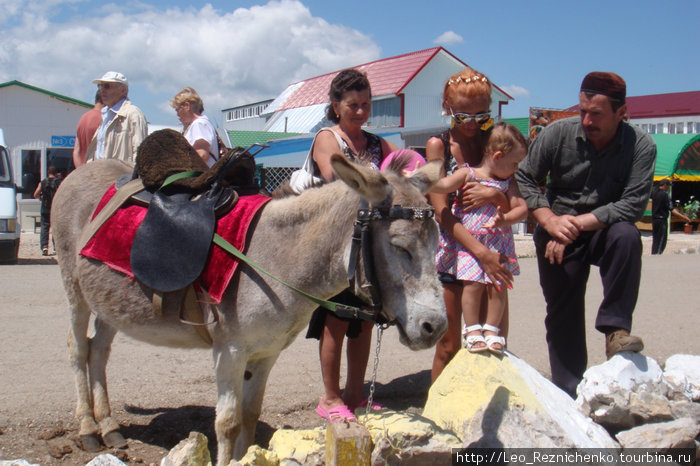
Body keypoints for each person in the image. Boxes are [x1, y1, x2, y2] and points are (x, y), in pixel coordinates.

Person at [515, 71, 656, 397]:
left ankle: (616, 330)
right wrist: (548, 219)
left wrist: (575, 223)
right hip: (556, 231)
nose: (587, 120)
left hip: (601, 229)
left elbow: (632, 205)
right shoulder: (557, 134)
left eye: (597, 114)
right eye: (583, 112)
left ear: (622, 113)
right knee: (563, 309)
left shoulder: (641, 146)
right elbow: (525, 176)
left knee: (626, 236)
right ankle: (568, 390)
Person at [304, 69, 397, 422]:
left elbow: (404, 168)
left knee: (366, 319)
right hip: (335, 246)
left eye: (366, 104)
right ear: (336, 105)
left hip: (369, 245)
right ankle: (330, 397)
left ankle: (355, 393)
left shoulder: (378, 143)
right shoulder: (327, 138)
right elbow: (336, 179)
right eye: (353, 105)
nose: (360, 111)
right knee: (337, 320)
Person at [427, 68, 514, 382]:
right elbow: (441, 212)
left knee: (495, 340)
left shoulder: (496, 143)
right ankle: (437, 416)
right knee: (448, 344)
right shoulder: (439, 145)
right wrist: (482, 254)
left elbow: (515, 201)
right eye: (464, 116)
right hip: (454, 252)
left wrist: (494, 194)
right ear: (447, 108)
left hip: (492, 248)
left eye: (483, 115)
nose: (474, 124)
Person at [431, 122, 528, 353]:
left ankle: (492, 330)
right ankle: (473, 329)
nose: (516, 169)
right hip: (471, 246)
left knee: (499, 286)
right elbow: (443, 186)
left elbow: (522, 209)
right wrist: (422, 178)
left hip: (498, 244)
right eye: (514, 163)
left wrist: (504, 220)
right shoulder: (467, 173)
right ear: (497, 155)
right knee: (472, 285)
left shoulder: (507, 183)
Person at [85, 71, 147, 163]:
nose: (102, 90)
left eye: (107, 86)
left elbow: (140, 152)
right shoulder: (105, 115)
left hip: (121, 175)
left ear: (123, 90)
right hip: (101, 174)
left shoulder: (133, 114)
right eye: (100, 86)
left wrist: (133, 176)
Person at [171, 87, 220, 167]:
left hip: (200, 177)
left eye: (177, 110)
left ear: (187, 106)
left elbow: (202, 155)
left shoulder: (199, 124)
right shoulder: (199, 124)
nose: (177, 115)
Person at [651, 179, 689, 254]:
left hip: (655, 220)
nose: (668, 188)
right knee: (662, 240)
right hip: (662, 220)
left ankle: (654, 253)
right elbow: (671, 208)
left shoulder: (654, 193)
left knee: (656, 239)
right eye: (668, 186)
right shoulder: (665, 195)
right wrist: (683, 216)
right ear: (665, 185)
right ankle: (657, 255)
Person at [33, 166, 62, 256]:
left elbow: (35, 194)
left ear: (48, 172)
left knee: (44, 228)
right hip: (55, 208)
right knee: (55, 228)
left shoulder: (43, 182)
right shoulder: (59, 182)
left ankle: (44, 246)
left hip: (45, 208)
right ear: (56, 173)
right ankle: (56, 248)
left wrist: (41, 197)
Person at [72, 91, 104, 168]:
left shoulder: (83, 118)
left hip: (84, 170)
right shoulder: (105, 119)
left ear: (95, 101)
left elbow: (76, 151)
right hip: (99, 170)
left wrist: (80, 171)